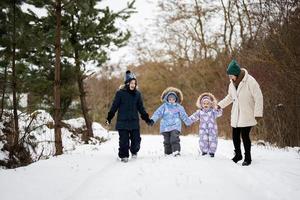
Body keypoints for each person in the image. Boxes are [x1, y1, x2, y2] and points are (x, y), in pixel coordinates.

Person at [218, 59, 263, 166]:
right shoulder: (232, 84)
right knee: (235, 135)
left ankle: (248, 158)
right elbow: (230, 97)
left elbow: (258, 96)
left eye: (231, 75)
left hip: (247, 113)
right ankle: (238, 155)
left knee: (245, 136)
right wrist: (219, 105)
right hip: (236, 114)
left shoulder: (250, 81)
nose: (229, 78)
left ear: (237, 74)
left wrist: (258, 113)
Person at [106, 70, 152, 162]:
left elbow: (141, 108)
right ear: (127, 83)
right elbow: (114, 106)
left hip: (134, 122)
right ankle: (124, 156)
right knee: (124, 142)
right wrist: (109, 118)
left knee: (136, 141)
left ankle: (134, 152)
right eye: (131, 83)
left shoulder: (137, 94)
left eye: (134, 83)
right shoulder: (120, 93)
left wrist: (147, 119)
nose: (133, 85)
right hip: (122, 122)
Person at [149, 87, 191, 156]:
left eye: (173, 99)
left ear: (176, 99)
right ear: (167, 99)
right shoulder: (164, 107)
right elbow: (157, 113)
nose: (171, 100)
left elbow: (183, 115)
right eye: (170, 99)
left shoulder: (178, 107)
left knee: (174, 138)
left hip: (175, 126)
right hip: (165, 127)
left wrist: (188, 122)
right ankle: (168, 153)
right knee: (167, 141)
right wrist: (152, 120)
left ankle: (176, 151)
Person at [189, 92, 222, 157]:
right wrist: (188, 120)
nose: (206, 105)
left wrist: (218, 109)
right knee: (203, 139)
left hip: (212, 130)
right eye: (204, 103)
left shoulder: (213, 111)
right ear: (201, 104)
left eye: (207, 103)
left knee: (213, 140)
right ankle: (204, 151)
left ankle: (212, 152)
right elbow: (194, 117)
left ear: (211, 104)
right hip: (203, 129)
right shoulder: (200, 112)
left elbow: (219, 113)